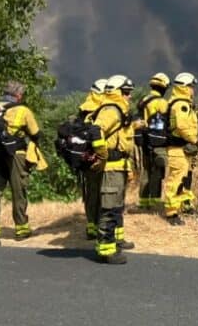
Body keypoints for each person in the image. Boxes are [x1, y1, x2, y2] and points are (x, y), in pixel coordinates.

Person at [0, 81, 42, 247]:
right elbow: (35, 132)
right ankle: (21, 229)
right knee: (18, 190)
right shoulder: (23, 110)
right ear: (19, 95)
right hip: (16, 154)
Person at [91, 75, 139, 264]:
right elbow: (96, 130)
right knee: (109, 209)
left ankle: (114, 245)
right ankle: (106, 250)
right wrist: (102, 155)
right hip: (110, 167)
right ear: (117, 92)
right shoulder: (111, 109)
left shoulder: (119, 109)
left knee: (116, 207)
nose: (129, 96)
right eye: (126, 92)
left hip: (118, 166)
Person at [164, 72, 198, 226]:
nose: (193, 90)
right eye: (191, 86)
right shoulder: (181, 105)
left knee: (183, 179)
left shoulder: (180, 103)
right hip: (178, 149)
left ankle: (183, 207)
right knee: (176, 180)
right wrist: (193, 138)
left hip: (181, 150)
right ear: (184, 87)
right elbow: (182, 126)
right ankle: (171, 213)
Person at [79, 78, 107, 240]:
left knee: (90, 192)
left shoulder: (83, 108)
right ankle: (98, 225)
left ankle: (90, 225)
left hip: (84, 157)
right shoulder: (99, 110)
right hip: (96, 157)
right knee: (100, 191)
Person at [137, 73, 170, 210]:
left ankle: (143, 202)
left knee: (146, 171)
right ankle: (155, 203)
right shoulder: (161, 102)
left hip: (145, 141)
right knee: (158, 171)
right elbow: (167, 119)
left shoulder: (144, 100)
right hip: (157, 142)